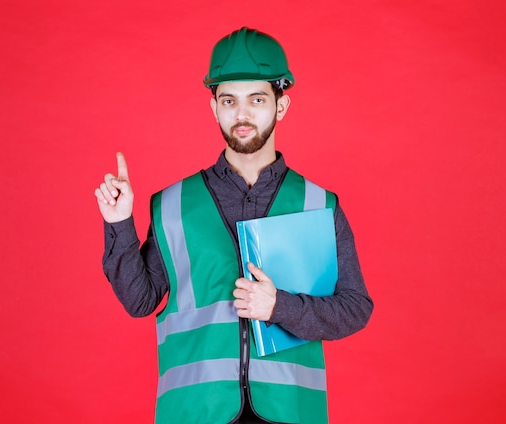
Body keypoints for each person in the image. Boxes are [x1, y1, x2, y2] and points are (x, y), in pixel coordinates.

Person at [94, 27, 373, 424]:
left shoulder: (318, 205)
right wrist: (120, 224)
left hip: (289, 411)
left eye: (256, 99)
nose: (241, 115)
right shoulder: (173, 205)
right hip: (195, 411)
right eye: (229, 100)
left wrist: (280, 307)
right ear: (214, 109)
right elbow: (140, 301)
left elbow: (355, 308)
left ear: (281, 106)